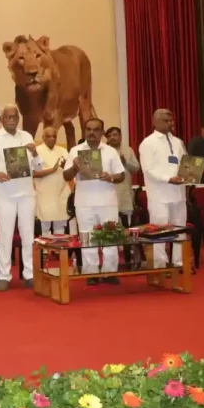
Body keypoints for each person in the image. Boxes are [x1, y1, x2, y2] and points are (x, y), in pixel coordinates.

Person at [0, 105, 42, 290]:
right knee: (5, 235)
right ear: (1, 118)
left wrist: (35, 153)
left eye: (14, 116)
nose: (11, 119)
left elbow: (38, 167)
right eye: (7, 116)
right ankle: (4, 276)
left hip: (26, 194)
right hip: (5, 193)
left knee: (28, 235)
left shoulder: (27, 137)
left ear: (19, 117)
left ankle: (29, 274)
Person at [63, 118, 125, 284]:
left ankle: (110, 272)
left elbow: (121, 175)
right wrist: (75, 167)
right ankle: (91, 272)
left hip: (107, 201)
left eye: (96, 129)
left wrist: (111, 177)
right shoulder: (75, 151)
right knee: (87, 238)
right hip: (84, 202)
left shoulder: (111, 151)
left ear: (102, 133)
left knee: (109, 237)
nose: (91, 133)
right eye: (88, 129)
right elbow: (65, 176)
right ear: (84, 131)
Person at [139, 109, 188, 267]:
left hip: (178, 193)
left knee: (180, 228)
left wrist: (190, 174)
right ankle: (160, 263)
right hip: (159, 194)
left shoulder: (178, 142)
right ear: (154, 122)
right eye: (166, 120)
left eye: (171, 120)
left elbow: (184, 163)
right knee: (159, 230)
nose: (170, 123)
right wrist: (168, 179)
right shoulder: (148, 142)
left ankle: (178, 262)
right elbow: (148, 169)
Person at [34, 126, 70, 235]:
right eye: (49, 136)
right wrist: (52, 170)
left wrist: (65, 167)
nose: (52, 138)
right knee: (45, 225)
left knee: (60, 224)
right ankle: (46, 251)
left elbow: (68, 172)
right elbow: (34, 173)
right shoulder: (37, 151)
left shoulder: (62, 150)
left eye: (54, 136)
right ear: (43, 137)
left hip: (61, 192)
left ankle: (58, 251)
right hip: (44, 193)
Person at [105, 126, 141, 227]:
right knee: (111, 220)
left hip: (124, 191)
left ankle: (127, 242)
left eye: (115, 135)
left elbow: (136, 168)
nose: (112, 137)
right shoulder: (103, 151)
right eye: (109, 136)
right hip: (109, 190)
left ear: (120, 137)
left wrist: (126, 162)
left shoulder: (128, 150)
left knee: (127, 222)